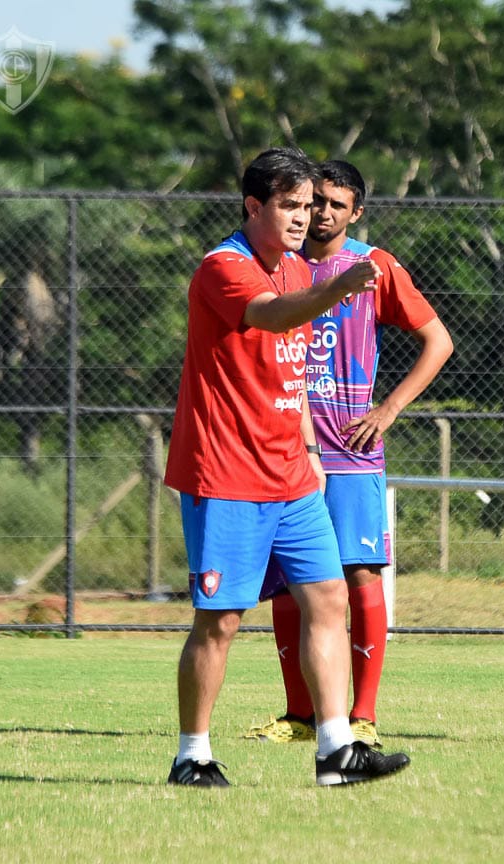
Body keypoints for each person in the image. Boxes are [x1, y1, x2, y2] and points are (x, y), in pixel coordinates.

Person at [163, 147, 410, 787]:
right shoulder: (223, 268)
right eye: (290, 206)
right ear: (254, 207)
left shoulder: (300, 271)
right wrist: (336, 287)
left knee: (329, 599)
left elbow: (293, 375)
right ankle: (192, 756)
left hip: (292, 473)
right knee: (219, 622)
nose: (304, 218)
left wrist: (308, 450)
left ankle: (335, 750)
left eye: (308, 206)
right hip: (227, 473)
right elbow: (270, 318)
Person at [246, 159, 453, 749]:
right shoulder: (277, 268)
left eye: (337, 204)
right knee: (286, 582)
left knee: (359, 574)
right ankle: (299, 715)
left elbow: (439, 340)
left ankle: (362, 714)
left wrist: (387, 410)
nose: (324, 213)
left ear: (356, 211)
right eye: (316, 203)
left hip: (351, 451)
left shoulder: (375, 266)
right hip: (283, 448)